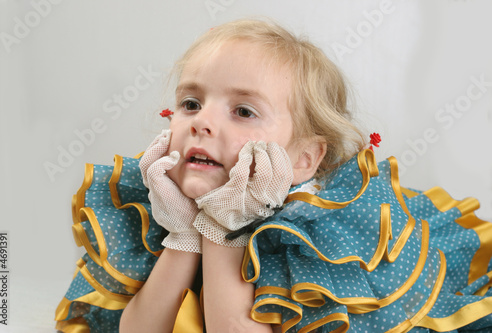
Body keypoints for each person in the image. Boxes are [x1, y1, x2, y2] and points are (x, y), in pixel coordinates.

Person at [55, 19, 492, 333]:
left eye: (243, 111)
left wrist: (225, 229)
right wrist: (185, 234)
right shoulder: (163, 207)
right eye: (191, 103)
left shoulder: (315, 237)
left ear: (303, 160)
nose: (200, 123)